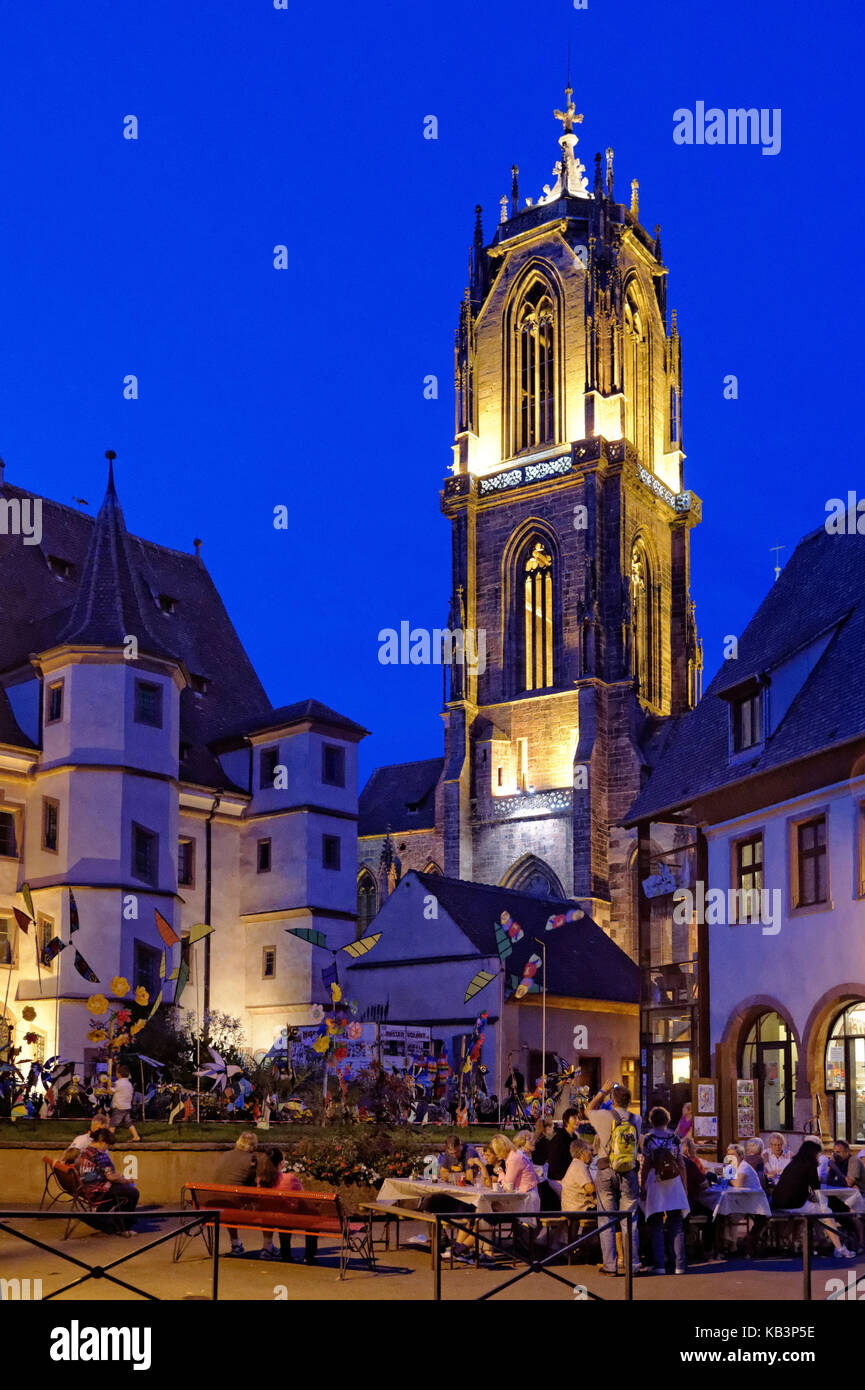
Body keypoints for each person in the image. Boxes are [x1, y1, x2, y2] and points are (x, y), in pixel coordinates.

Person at [748, 1136, 855, 1259]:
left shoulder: (793, 1163)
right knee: (826, 1211)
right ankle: (839, 1248)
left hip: (778, 1202)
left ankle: (823, 1242)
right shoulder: (809, 1165)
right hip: (793, 1204)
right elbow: (815, 1188)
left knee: (821, 1208)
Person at [586, 1082, 641, 1276]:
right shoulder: (637, 1119)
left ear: (613, 1100)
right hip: (630, 1171)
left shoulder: (604, 1116)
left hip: (606, 1169)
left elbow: (588, 1109)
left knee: (606, 1219)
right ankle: (632, 1265)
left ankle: (610, 1265)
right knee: (630, 1220)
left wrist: (602, 1091)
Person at [641, 1106, 689, 1275]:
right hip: (674, 1182)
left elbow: (646, 1164)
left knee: (655, 1225)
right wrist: (684, 1187)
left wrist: (642, 1186)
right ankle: (679, 1265)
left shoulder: (648, 1140)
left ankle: (660, 1265)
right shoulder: (675, 1139)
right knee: (676, 1224)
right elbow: (681, 1165)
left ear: (651, 1121)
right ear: (668, 1120)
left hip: (656, 1181)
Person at [216, 1131, 278, 1256]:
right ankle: (268, 1247)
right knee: (269, 1204)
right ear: (254, 1145)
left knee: (230, 1200)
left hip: (218, 1204)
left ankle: (235, 1244)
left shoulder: (225, 1155)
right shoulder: (253, 1159)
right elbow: (265, 1180)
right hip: (239, 1206)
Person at [78, 1128, 140, 1235]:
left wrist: (120, 1179)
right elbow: (110, 1176)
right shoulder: (99, 1154)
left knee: (122, 1189)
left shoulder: (86, 1150)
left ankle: (108, 1216)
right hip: (98, 1190)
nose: (108, 1147)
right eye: (108, 1145)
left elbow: (103, 1174)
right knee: (133, 1192)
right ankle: (123, 1227)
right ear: (102, 1142)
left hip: (87, 1188)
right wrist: (125, 1180)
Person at [264, 1146, 319, 1265]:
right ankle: (309, 1256)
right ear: (280, 1162)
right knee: (311, 1219)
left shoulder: (262, 1180)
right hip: (288, 1216)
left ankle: (285, 1254)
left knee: (283, 1215)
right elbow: (303, 1197)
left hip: (270, 1216)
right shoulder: (289, 1178)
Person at [109, 1065, 141, 1142]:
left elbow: (110, 1091)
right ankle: (136, 1137)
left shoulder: (118, 1083)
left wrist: (107, 1086)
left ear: (119, 1074)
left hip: (120, 1106)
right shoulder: (129, 1083)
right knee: (128, 1122)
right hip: (127, 1106)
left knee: (113, 1123)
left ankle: (109, 1139)